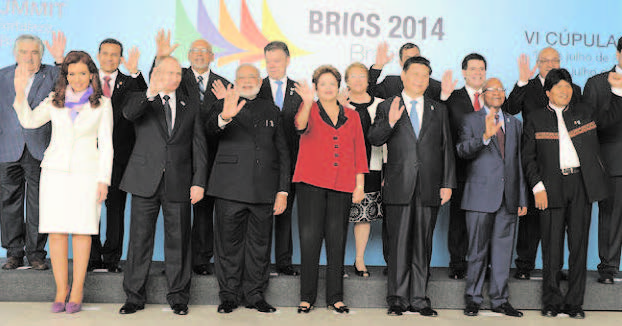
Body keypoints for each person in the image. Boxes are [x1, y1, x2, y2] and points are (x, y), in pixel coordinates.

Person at [12, 50, 113, 314]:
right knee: (56, 232)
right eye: (71, 73)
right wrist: (20, 94)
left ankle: (77, 290)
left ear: (91, 74)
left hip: (87, 174)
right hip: (55, 172)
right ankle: (60, 289)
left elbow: (107, 147)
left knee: (82, 232)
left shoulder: (102, 104)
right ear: (65, 75)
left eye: (82, 73)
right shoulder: (54, 100)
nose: (77, 79)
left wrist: (103, 180)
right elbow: (29, 120)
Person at [522, 68, 622, 318]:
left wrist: (618, 91)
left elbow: (610, 119)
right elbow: (528, 158)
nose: (564, 91)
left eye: (568, 87)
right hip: (550, 187)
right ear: (548, 93)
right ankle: (551, 301)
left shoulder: (585, 112)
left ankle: (575, 303)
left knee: (578, 248)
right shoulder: (535, 118)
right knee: (552, 249)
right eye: (559, 88)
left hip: (580, 186)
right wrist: (537, 187)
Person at [119, 56, 207, 316]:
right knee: (139, 241)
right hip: (144, 181)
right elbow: (128, 114)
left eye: (178, 73)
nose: (175, 77)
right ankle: (134, 297)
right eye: (169, 72)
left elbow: (199, 147)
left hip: (179, 182)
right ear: (157, 73)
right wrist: (149, 92)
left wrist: (199, 181)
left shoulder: (191, 105)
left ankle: (179, 297)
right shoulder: (141, 98)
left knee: (179, 242)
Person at [368, 56, 455, 317]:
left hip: (429, 186)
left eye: (425, 75)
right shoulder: (387, 105)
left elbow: (446, 148)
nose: (420, 79)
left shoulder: (438, 109)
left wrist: (448, 183)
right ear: (403, 76)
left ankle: (419, 298)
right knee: (398, 244)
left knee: (422, 243)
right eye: (415, 74)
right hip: (398, 184)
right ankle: (396, 298)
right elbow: (374, 138)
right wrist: (391, 121)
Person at [207, 64, 290, 314]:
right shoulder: (222, 103)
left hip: (264, 190)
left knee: (259, 246)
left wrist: (282, 190)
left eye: (251, 77)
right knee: (228, 246)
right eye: (241, 77)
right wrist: (225, 116)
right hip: (229, 187)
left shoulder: (272, 109)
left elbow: (283, 152)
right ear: (235, 80)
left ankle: (255, 295)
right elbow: (209, 131)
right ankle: (229, 295)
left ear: (259, 80)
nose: (246, 81)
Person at [154, 29, 230, 276]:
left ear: (212, 56)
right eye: (194, 51)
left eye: (204, 51)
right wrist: (159, 57)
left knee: (204, 210)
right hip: (177, 156)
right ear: (188, 55)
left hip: (212, 156)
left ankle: (200, 259)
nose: (199, 55)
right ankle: (176, 263)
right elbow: (156, 88)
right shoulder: (176, 76)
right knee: (177, 213)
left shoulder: (224, 85)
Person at [293, 65, 368, 314]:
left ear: (339, 88)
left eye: (332, 84)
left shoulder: (352, 115)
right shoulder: (308, 109)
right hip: (311, 184)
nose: (328, 88)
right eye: (322, 84)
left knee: (337, 242)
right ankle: (307, 297)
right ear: (316, 88)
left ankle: (336, 297)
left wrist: (359, 185)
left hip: (342, 185)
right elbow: (300, 126)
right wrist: (305, 102)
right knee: (309, 241)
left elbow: (359, 151)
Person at [506, 47, 582, 280]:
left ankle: (555, 269)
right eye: (545, 61)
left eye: (554, 60)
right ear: (538, 64)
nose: (550, 64)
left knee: (562, 221)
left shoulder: (573, 89)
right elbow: (510, 109)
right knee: (531, 219)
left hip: (565, 163)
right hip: (535, 161)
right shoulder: (527, 87)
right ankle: (524, 265)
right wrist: (521, 81)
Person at [456, 78, 526, 317]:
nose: (497, 93)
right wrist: (484, 137)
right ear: (482, 94)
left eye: (500, 89)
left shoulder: (514, 123)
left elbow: (517, 162)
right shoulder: (471, 120)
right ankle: (473, 299)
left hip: (508, 198)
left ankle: (500, 300)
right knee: (476, 251)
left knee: (503, 253)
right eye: (491, 89)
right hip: (479, 197)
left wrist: (522, 199)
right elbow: (462, 151)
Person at [0, 33, 65, 270]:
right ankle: (14, 253)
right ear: (16, 54)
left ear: (42, 54)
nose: (29, 57)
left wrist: (60, 60)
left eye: (35, 52)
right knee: (9, 202)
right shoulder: (2, 76)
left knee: (39, 203)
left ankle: (36, 253)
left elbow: (68, 82)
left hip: (40, 149)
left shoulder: (53, 74)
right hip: (7, 150)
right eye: (24, 52)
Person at [89, 38, 148, 273]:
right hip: (89, 157)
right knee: (90, 208)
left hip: (120, 157)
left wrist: (135, 72)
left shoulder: (130, 82)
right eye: (105, 53)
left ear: (121, 58)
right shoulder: (86, 81)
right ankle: (92, 257)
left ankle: (112, 258)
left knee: (116, 209)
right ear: (98, 54)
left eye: (115, 55)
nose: (109, 58)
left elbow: (147, 96)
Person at [440, 53, 488, 279]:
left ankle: (481, 263)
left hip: (488, 170)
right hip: (459, 168)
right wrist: (443, 97)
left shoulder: (493, 95)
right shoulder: (451, 98)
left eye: (481, 69)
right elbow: (441, 128)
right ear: (464, 72)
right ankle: (457, 263)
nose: (478, 72)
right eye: (473, 68)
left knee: (484, 220)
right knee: (459, 219)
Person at [257, 41, 303, 276]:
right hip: (260, 164)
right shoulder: (255, 87)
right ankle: (260, 263)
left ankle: (284, 262)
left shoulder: (300, 90)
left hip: (291, 164)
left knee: (284, 214)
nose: (272, 65)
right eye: (269, 61)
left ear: (287, 60)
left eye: (277, 60)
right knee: (261, 215)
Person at [583, 36, 622, 284]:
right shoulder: (597, 84)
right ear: (618, 53)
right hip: (614, 161)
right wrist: (617, 95)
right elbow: (591, 126)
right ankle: (608, 267)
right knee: (612, 215)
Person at [343, 62, 384, 277]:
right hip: (340, 169)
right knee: (336, 216)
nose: (358, 80)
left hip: (371, 167)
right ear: (346, 80)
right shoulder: (337, 103)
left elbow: (387, 140)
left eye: (362, 76)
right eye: (353, 76)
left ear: (368, 80)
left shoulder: (381, 105)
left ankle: (359, 259)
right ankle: (336, 261)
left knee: (364, 216)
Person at [367, 42, 442, 101]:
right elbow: (366, 93)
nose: (413, 62)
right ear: (401, 62)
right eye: (408, 58)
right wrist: (378, 66)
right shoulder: (390, 83)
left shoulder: (435, 87)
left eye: (416, 57)